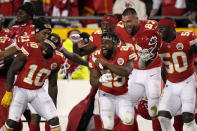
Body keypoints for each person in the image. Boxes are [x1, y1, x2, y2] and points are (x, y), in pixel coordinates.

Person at [0, 33, 65, 131]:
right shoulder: (30, 47)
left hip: (38, 91)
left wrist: (53, 103)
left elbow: (52, 84)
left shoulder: (58, 59)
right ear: (43, 42)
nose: (46, 49)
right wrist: (9, 91)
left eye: (50, 47)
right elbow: (12, 70)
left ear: (55, 50)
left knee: (55, 121)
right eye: (46, 44)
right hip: (21, 90)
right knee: (11, 123)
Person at [115, 7, 162, 131]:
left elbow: (162, 43)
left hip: (153, 70)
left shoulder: (152, 26)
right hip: (134, 71)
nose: (126, 25)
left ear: (137, 19)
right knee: (126, 106)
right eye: (124, 21)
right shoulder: (119, 28)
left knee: (154, 109)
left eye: (129, 21)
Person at [89, 32, 137, 131]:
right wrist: (100, 80)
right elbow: (92, 81)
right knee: (107, 125)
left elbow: (127, 71)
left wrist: (106, 64)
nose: (103, 46)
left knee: (128, 119)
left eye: (107, 43)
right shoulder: (96, 56)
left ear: (115, 44)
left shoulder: (127, 51)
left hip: (123, 94)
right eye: (102, 43)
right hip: (105, 95)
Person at [156, 17, 197, 131]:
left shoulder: (187, 37)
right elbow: (161, 69)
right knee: (163, 116)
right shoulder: (158, 44)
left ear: (171, 28)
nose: (159, 32)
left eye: (162, 29)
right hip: (171, 84)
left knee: (188, 117)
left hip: (188, 81)